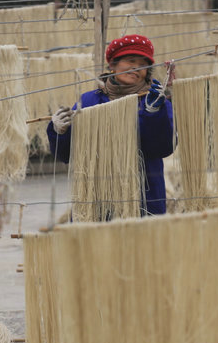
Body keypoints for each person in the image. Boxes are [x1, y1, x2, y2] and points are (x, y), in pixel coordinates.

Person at [47, 34, 175, 216]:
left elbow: (162, 148)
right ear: (112, 65)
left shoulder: (155, 101)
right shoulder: (89, 100)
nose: (136, 67)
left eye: (143, 64)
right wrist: (59, 131)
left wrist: (153, 113)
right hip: (96, 202)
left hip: (144, 200)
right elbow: (67, 154)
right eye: (130, 60)